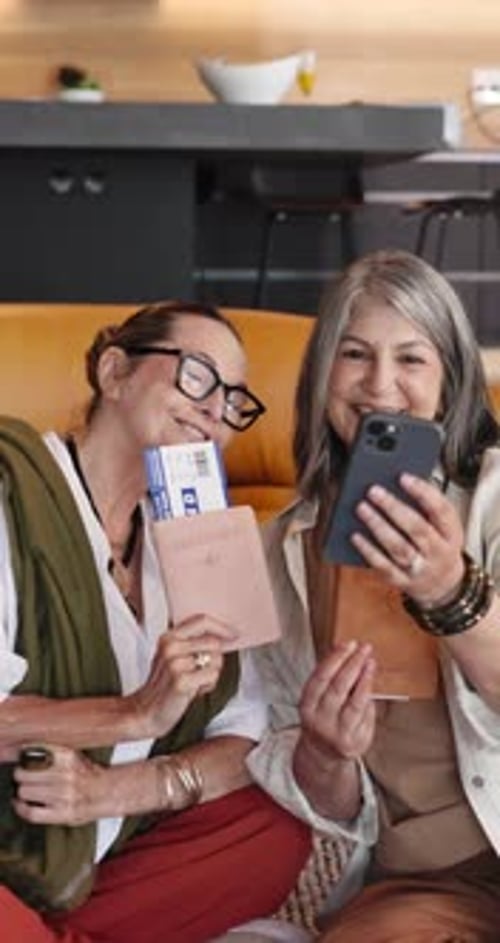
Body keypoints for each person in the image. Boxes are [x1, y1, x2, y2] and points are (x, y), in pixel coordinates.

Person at [0, 300, 312, 943]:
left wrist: (110, 792)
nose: (213, 408)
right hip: (10, 856)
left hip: (104, 854)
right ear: (114, 372)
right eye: (196, 374)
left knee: (271, 827)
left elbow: (246, 741)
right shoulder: (13, 491)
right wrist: (138, 713)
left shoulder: (204, 542)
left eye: (233, 400)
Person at [246, 250, 500, 942]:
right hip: (428, 879)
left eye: (411, 359)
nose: (379, 383)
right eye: (354, 354)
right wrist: (325, 754)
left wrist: (451, 590)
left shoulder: (496, 501)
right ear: (322, 373)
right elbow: (329, 802)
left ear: (450, 381)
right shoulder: (281, 551)